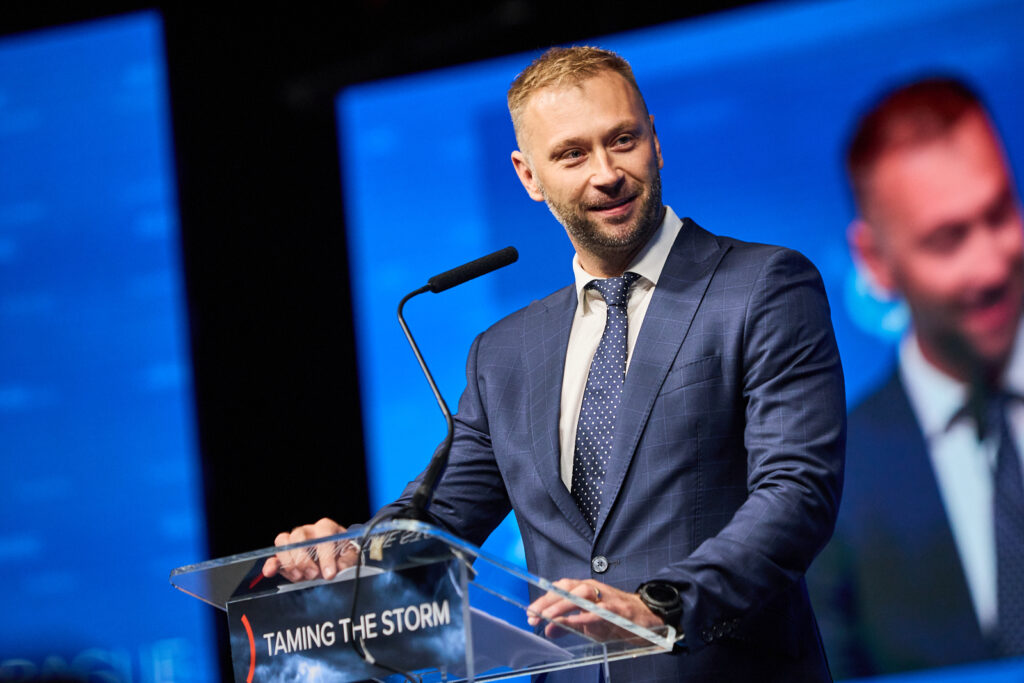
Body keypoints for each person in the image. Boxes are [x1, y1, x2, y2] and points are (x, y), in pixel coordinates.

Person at [265, 46, 845, 681]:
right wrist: (347, 552)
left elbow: (796, 491)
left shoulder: (762, 285)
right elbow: (442, 515)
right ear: (529, 176)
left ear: (655, 139)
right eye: (572, 154)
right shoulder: (504, 353)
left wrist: (662, 606)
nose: (606, 172)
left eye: (623, 140)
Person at [808, 77, 1024, 678]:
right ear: (876, 260)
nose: (990, 264)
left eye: (999, 213)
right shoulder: (829, 489)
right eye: (947, 240)